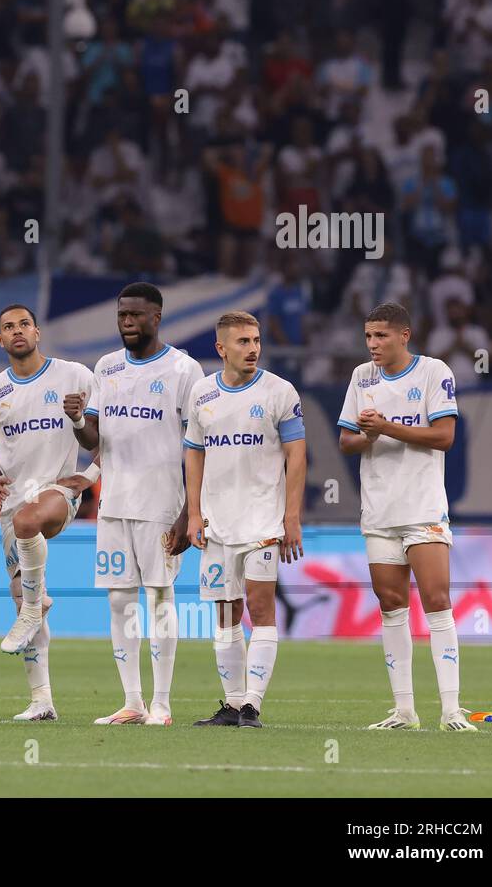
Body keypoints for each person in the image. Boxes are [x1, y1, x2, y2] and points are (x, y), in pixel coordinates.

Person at [67, 283, 203, 726]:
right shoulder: (106, 367)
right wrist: (75, 420)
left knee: (160, 598)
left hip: (162, 503)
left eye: (135, 315)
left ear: (156, 318)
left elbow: (198, 445)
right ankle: (132, 701)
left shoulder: (185, 370)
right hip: (114, 503)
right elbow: (94, 439)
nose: (127, 321)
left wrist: (190, 510)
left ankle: (162, 703)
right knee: (119, 601)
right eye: (122, 314)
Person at [337, 303, 474, 731]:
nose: (373, 344)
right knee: (391, 605)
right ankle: (405, 711)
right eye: (368, 337)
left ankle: (451, 709)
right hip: (379, 510)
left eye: (381, 336)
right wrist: (368, 434)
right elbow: (346, 441)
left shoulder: (434, 372)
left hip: (422, 506)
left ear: (404, 335)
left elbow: (445, 437)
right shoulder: (362, 377)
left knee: (436, 600)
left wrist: (386, 427)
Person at [0, 304, 95, 721]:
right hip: (13, 501)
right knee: (21, 594)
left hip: (58, 491)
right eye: (8, 327)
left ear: (37, 332)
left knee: (29, 524)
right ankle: (42, 702)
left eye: (24, 324)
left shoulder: (74, 375)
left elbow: (107, 435)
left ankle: (34, 604)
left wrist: (89, 476)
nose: (17, 331)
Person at [183, 311, 306, 729]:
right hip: (217, 525)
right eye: (242, 342)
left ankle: (253, 703)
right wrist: (194, 512)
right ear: (221, 348)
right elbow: (194, 453)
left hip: (262, 523)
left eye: (255, 340)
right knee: (224, 612)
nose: (252, 348)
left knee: (259, 606)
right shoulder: (201, 394)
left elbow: (296, 455)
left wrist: (291, 516)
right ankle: (233, 704)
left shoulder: (280, 391)